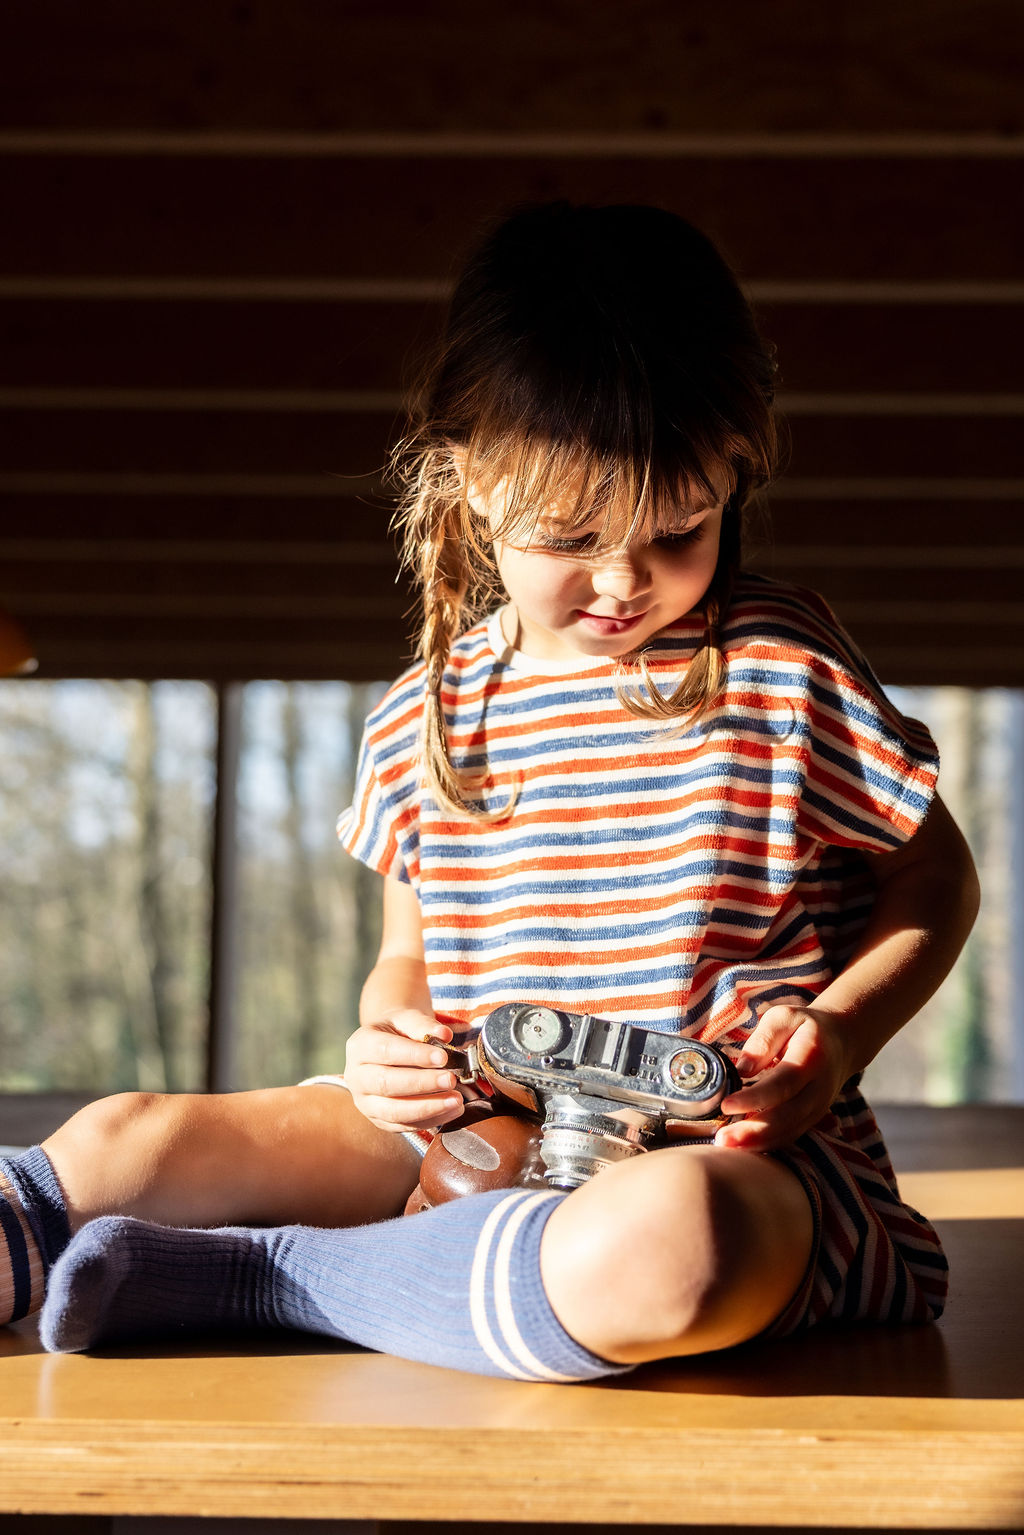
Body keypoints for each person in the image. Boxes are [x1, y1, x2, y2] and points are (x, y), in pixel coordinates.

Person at [1, 203, 978, 1380]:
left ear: (736, 465)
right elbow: (404, 961)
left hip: (735, 1155)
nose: (624, 580)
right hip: (464, 1128)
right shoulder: (423, 708)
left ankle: (270, 1274)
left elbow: (935, 880)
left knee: (669, 1251)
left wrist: (834, 1032)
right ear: (466, 474)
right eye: (572, 533)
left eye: (681, 527)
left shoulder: (783, 663)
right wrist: (385, 1041)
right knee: (125, 1136)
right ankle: (414, 1266)